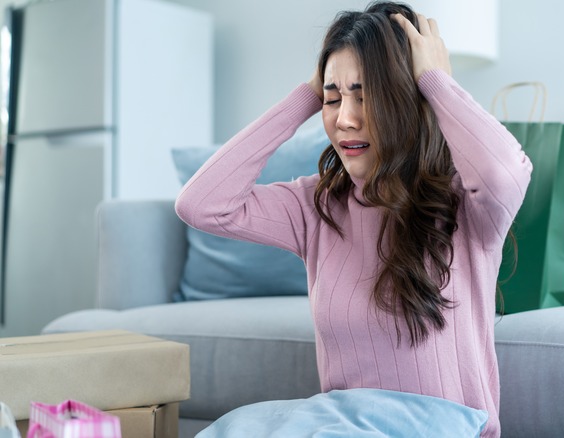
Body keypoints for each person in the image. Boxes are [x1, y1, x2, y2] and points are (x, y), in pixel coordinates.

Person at [175, 2, 532, 436]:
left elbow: (506, 171)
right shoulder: (317, 207)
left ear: (408, 98)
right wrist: (304, 97)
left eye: (365, 96)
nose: (344, 119)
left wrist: (437, 82)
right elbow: (200, 204)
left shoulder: (465, 202)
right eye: (332, 99)